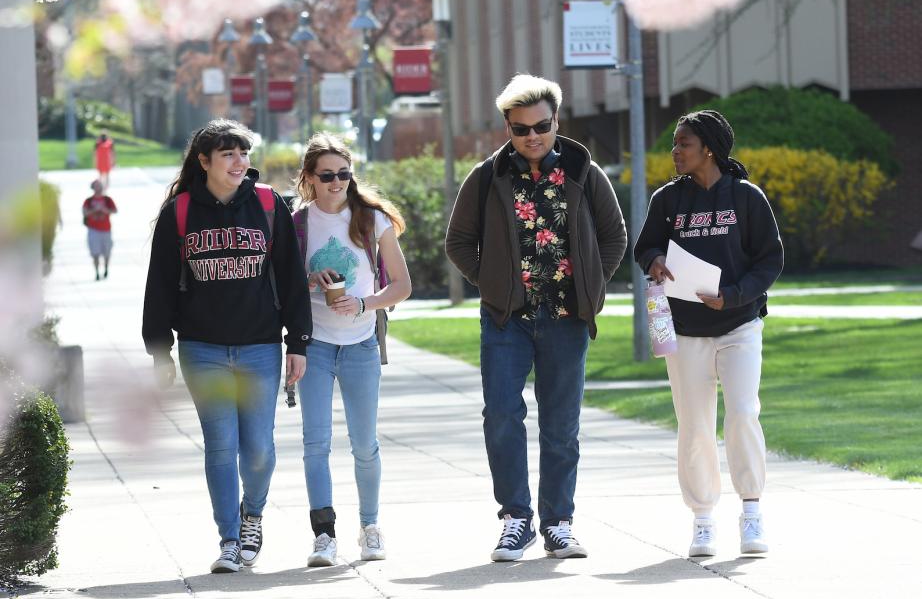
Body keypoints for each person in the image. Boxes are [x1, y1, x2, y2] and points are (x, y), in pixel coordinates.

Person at [445, 74, 627, 562]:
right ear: (508, 127)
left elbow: (613, 236)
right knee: (502, 416)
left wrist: (592, 282)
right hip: (507, 321)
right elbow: (459, 242)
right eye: (521, 129)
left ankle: (558, 523)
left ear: (556, 121)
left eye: (541, 126)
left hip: (568, 319)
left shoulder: (584, 173)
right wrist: (494, 285)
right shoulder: (487, 177)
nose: (533, 136)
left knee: (561, 425)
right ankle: (516, 520)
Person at [142, 119, 311, 574]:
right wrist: (159, 350)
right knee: (221, 446)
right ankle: (230, 540)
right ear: (205, 161)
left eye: (244, 153)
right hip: (202, 349)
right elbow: (158, 286)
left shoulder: (268, 204)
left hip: (259, 347)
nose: (240, 163)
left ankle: (252, 514)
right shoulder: (178, 212)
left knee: (257, 448)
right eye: (229, 155)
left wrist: (299, 342)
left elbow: (292, 280)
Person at [633, 109, 783, 558]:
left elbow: (770, 260)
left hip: (739, 324)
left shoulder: (746, 198)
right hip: (685, 331)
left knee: (741, 414)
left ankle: (752, 511)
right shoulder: (668, 200)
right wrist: (656, 259)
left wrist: (735, 295)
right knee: (694, 427)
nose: (674, 151)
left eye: (684, 144)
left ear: (709, 149)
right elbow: (645, 246)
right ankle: (702, 520)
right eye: (675, 144)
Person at [292, 132, 411, 567]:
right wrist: (309, 281)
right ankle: (323, 535)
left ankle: (370, 526)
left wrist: (364, 302)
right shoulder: (296, 225)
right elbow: (282, 287)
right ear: (310, 178)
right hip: (317, 346)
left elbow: (402, 285)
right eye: (327, 175)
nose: (337, 182)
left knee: (364, 444)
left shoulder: (372, 221)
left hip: (360, 342)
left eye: (344, 174)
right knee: (315, 444)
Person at [82, 179, 117, 281]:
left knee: (107, 252)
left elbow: (115, 210)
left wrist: (104, 210)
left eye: (99, 185)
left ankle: (106, 267)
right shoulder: (88, 201)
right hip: (93, 230)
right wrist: (94, 210)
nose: (98, 188)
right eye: (96, 186)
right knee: (95, 252)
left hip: (106, 229)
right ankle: (97, 272)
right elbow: (85, 213)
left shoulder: (107, 199)